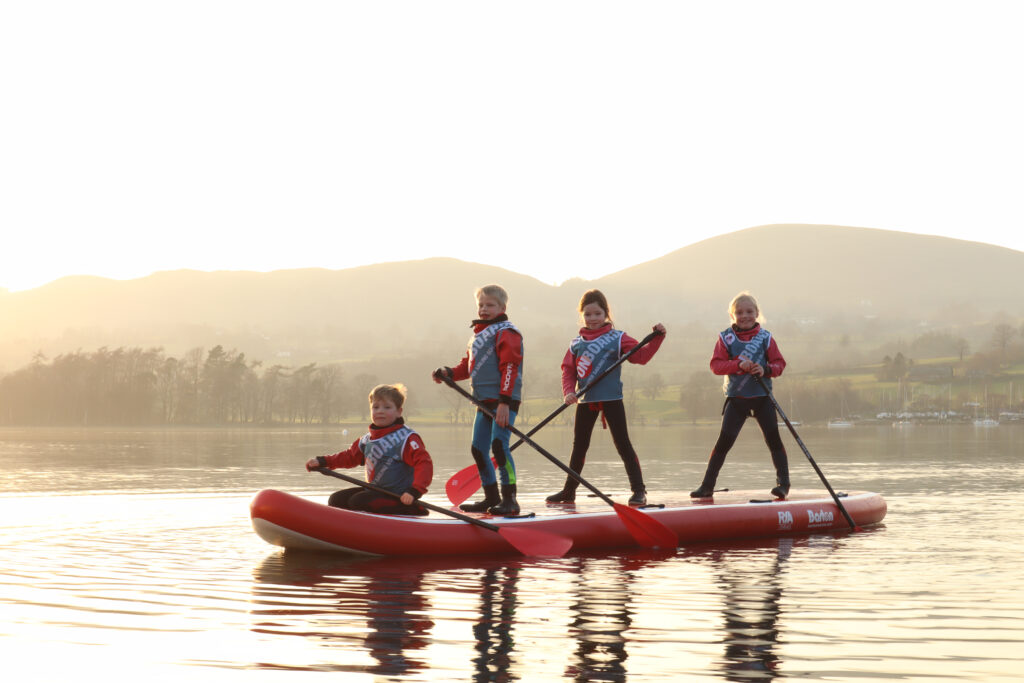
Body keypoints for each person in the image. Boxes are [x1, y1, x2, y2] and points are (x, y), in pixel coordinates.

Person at [546, 289, 666, 506]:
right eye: (588, 314)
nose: (593, 319)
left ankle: (639, 491)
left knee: (623, 445)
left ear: (606, 314)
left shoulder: (618, 338)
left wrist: (658, 338)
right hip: (585, 400)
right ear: (582, 315)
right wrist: (568, 392)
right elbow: (568, 370)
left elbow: (641, 357)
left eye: (597, 314)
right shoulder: (576, 343)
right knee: (579, 447)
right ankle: (569, 491)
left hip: (612, 399)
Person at [432, 284, 524, 516]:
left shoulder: (507, 332)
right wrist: (449, 373)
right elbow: (468, 366)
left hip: (504, 402)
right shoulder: (479, 334)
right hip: (483, 402)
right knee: (478, 449)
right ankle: (491, 497)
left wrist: (504, 402)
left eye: (490, 305)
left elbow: (510, 367)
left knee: (499, 447)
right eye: (481, 305)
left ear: (502, 307)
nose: (484, 309)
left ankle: (510, 499)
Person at [690, 292, 790, 499]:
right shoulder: (725, 338)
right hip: (736, 401)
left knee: (773, 440)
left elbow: (780, 364)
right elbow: (716, 365)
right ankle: (707, 486)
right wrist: (737, 365)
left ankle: (783, 484)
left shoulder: (766, 337)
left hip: (763, 398)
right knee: (723, 443)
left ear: (757, 313)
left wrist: (765, 369)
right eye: (739, 312)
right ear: (732, 315)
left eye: (749, 311)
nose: (744, 316)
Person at [305, 383, 433, 515]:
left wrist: (414, 491)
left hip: (401, 496)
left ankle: (414, 510)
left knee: (358, 501)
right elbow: (349, 457)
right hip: (375, 491)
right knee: (336, 500)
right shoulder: (367, 440)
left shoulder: (406, 438)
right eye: (375, 407)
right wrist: (322, 461)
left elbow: (424, 464)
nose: (380, 411)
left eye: (387, 407)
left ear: (399, 412)